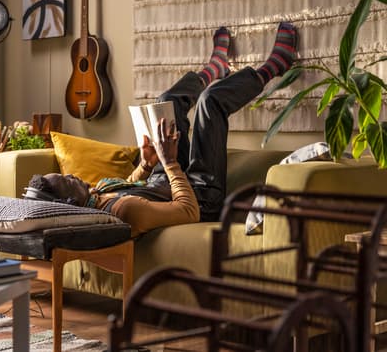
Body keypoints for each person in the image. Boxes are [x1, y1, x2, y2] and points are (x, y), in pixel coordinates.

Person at [24, 22, 298, 237]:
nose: (72, 175)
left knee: (165, 103)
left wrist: (146, 163)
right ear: (71, 202)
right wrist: (168, 162)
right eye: (68, 180)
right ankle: (273, 68)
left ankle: (214, 69)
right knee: (210, 103)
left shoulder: (94, 196)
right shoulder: (123, 211)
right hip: (200, 198)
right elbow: (187, 211)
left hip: (164, 176)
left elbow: (131, 186)